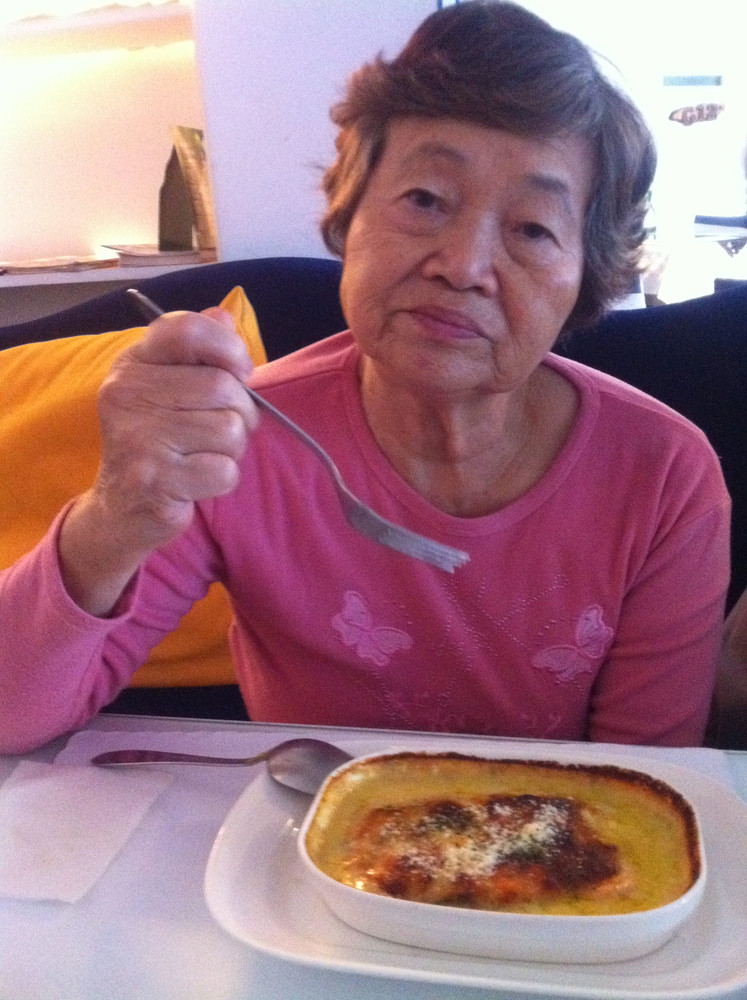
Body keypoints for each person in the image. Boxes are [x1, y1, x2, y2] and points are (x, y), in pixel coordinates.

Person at [0, 1, 730, 753]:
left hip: (559, 828)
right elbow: (9, 714)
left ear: (584, 280)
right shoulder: (238, 441)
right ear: (348, 215)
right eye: (425, 200)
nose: (464, 266)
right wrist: (116, 512)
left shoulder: (663, 478)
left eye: (532, 229)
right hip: (303, 819)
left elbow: (650, 777)